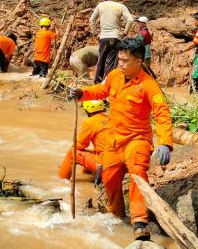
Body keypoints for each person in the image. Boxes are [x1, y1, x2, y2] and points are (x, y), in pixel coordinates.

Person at [69, 38, 173, 241]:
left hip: (137, 139)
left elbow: (162, 114)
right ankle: (116, 216)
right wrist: (82, 93)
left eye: (125, 61)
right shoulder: (115, 75)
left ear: (139, 61)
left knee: (137, 175)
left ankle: (140, 223)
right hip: (114, 139)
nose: (121, 64)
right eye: (119, 60)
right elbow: (101, 90)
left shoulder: (149, 85)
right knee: (109, 178)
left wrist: (165, 143)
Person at [58, 100, 117, 183]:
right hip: (118, 162)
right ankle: (88, 176)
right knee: (90, 151)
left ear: (87, 111)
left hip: (106, 165)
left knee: (72, 153)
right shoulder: (111, 119)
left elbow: (80, 145)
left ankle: (61, 180)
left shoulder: (89, 122)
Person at [89, 0, 134, 84]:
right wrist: (125, 32)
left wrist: (95, 32)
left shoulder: (101, 5)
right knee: (112, 61)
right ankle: (107, 82)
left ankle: (97, 81)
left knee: (101, 59)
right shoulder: (121, 7)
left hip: (104, 36)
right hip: (115, 37)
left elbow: (91, 19)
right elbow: (130, 20)